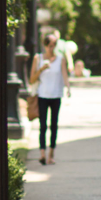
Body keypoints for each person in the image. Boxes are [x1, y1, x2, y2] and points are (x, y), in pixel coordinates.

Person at [30, 31, 69, 164]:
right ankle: (42, 154)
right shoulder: (38, 58)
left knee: (54, 125)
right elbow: (31, 79)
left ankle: (51, 154)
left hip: (56, 95)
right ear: (44, 45)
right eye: (48, 44)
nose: (51, 47)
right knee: (43, 126)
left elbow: (64, 75)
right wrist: (41, 69)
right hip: (42, 95)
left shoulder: (60, 59)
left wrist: (68, 88)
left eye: (54, 44)